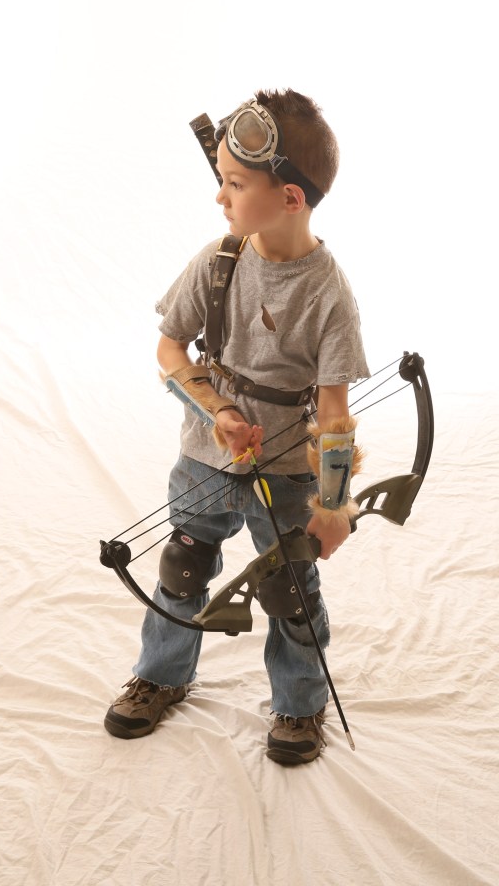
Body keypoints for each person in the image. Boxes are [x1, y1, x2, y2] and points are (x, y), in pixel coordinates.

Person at [104, 90, 369, 763]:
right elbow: (171, 349)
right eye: (221, 178)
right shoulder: (218, 260)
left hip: (285, 473)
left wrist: (333, 505)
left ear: (290, 198)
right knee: (183, 566)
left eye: (235, 183)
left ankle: (300, 705)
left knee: (289, 591)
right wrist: (217, 411)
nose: (220, 197)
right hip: (204, 458)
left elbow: (334, 416)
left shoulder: (329, 294)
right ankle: (160, 675)